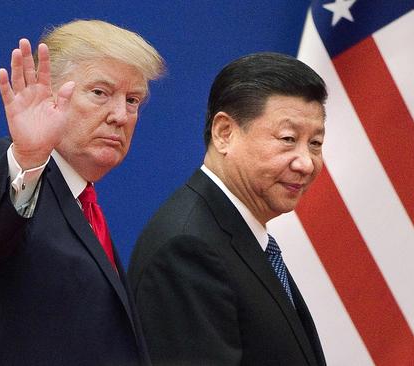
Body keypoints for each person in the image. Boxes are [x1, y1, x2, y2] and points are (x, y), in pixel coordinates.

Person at [0, 20, 164, 366]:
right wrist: (28, 157)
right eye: (99, 93)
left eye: (133, 100)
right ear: (49, 94)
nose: (120, 116)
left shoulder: (83, 201)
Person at [128, 52, 328, 366]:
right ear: (225, 133)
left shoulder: (238, 234)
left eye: (315, 143)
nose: (306, 163)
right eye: (288, 139)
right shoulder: (188, 248)